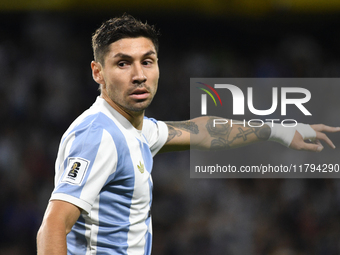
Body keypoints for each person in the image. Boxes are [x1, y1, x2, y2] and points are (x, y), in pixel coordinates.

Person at [36, 14, 340, 255]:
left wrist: (278, 130)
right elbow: (52, 226)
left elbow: (202, 131)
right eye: (123, 63)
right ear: (97, 72)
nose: (139, 74)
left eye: (147, 61)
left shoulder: (133, 128)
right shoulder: (99, 135)